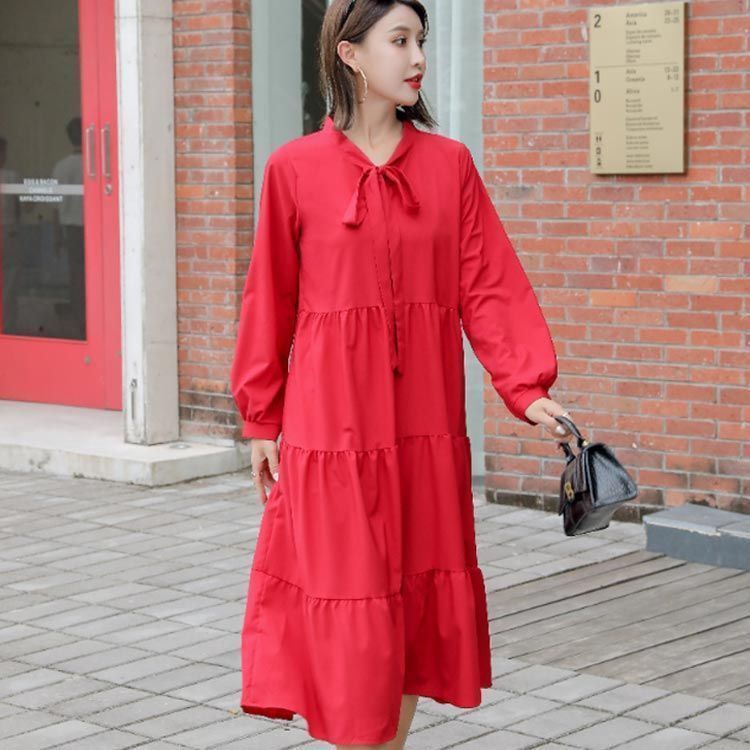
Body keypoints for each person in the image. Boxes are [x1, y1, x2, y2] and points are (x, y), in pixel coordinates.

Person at [230, 1, 573, 748]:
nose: (418, 57)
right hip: (332, 432)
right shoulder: (293, 169)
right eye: (400, 40)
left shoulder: (449, 166)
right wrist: (261, 417)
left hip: (424, 428)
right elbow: (269, 299)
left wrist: (527, 388)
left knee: (411, 613)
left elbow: (488, 285)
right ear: (350, 53)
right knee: (348, 604)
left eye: (422, 40)